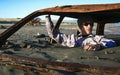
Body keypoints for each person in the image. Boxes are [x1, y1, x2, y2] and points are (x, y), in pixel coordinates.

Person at [45, 15, 116, 51]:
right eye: (86, 24)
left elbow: (112, 43)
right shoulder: (71, 38)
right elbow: (53, 35)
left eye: (91, 24)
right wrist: (47, 17)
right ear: (80, 26)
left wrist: (99, 45)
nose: (90, 26)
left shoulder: (97, 38)